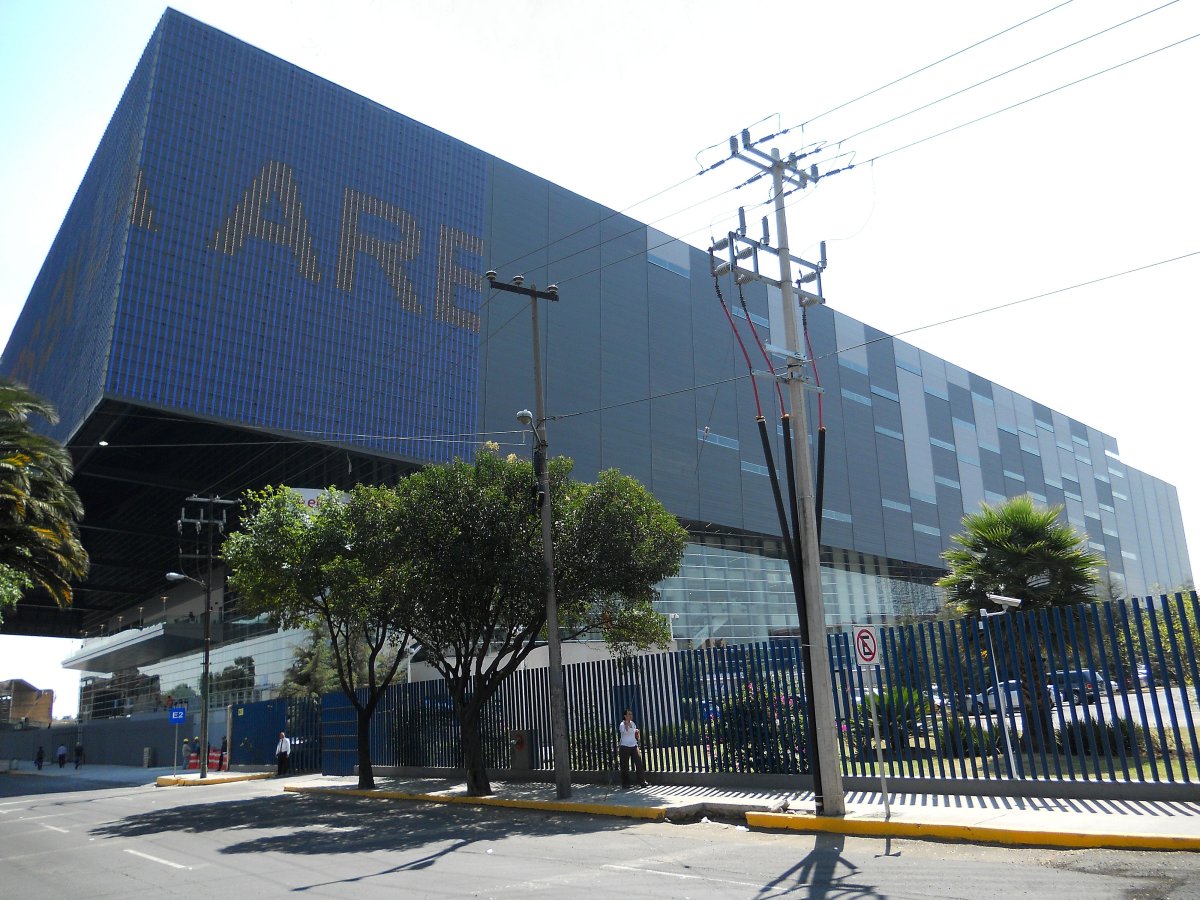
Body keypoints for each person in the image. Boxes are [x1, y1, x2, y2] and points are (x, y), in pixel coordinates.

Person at [617, 709, 648, 788]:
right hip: (624, 746)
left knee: (639, 763)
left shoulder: (633, 723)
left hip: (634, 746)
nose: (631, 716)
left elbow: (635, 734)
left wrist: (637, 733)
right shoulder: (622, 724)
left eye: (631, 714)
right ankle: (625, 783)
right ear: (625, 716)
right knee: (625, 766)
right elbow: (625, 731)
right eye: (629, 714)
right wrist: (627, 723)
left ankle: (642, 781)